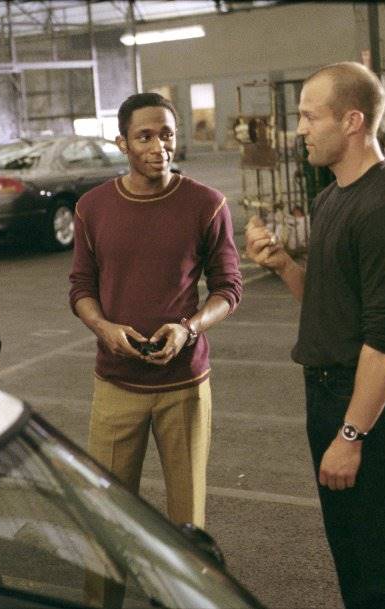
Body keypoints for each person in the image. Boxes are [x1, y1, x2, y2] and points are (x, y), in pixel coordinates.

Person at [245, 62, 385, 609]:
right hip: (329, 392)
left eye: (310, 116)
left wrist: (351, 437)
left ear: (352, 121)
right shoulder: (331, 198)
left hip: (366, 401)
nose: (299, 128)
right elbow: (331, 304)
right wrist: (284, 266)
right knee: (352, 552)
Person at [69, 92, 242, 529]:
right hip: (116, 383)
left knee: (188, 519)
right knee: (108, 516)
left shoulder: (207, 204)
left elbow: (228, 288)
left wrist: (189, 329)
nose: (158, 147)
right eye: (144, 136)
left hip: (184, 386)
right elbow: (81, 288)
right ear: (122, 143)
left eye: (166, 135)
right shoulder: (92, 208)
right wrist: (103, 327)